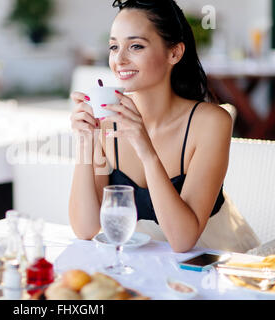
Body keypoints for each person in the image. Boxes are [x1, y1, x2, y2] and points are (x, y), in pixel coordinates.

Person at [68, 0, 260, 253]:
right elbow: (85, 229)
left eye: (135, 46)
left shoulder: (211, 123)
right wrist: (86, 141)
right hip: (142, 262)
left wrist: (144, 147)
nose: (120, 59)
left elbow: (183, 241)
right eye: (114, 46)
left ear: (174, 53)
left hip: (212, 263)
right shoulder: (106, 123)